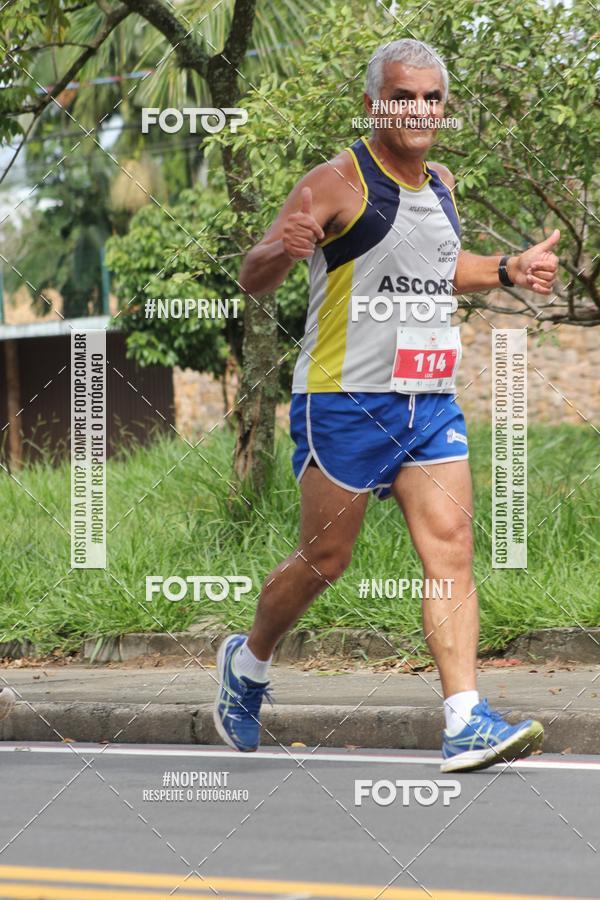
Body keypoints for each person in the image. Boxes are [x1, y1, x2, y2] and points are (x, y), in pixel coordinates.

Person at [213, 38, 559, 772]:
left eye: (432, 97)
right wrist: (285, 248)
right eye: (404, 96)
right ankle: (247, 664)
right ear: (374, 104)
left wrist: (507, 266)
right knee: (324, 559)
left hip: (428, 401)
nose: (420, 109)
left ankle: (465, 717)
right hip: (343, 401)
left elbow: (438, 267)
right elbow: (254, 274)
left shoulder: (442, 181)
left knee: (451, 551)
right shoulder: (336, 181)